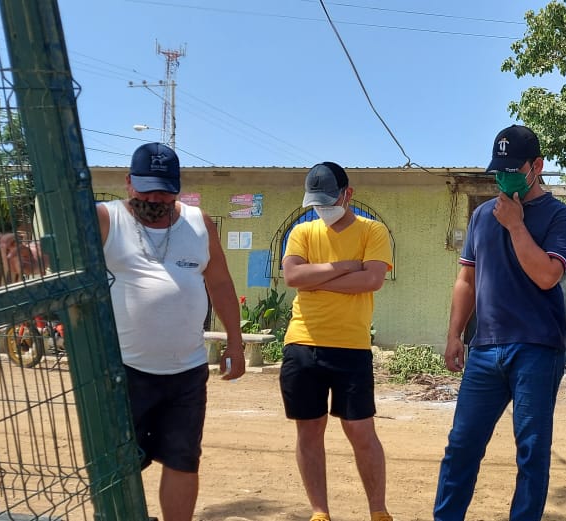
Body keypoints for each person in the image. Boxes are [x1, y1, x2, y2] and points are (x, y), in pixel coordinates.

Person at [96, 142, 246, 521]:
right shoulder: (106, 219)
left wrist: (235, 343)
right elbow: (60, 258)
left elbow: (221, 283)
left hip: (187, 372)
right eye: (146, 190)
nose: (154, 199)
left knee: (183, 459)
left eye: (164, 191)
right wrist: (30, 257)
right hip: (125, 371)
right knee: (120, 462)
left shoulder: (199, 223)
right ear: (129, 183)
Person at [434, 125, 566, 521]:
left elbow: (547, 276)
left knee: (531, 451)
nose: (503, 178)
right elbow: (466, 279)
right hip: (484, 348)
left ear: (537, 167)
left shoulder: (559, 216)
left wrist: (516, 224)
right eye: (498, 170)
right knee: (461, 445)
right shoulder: (482, 216)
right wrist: (454, 335)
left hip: (537, 348)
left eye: (513, 170)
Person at [280, 161, 394, 521]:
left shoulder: (373, 231)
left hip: (351, 347)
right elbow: (292, 276)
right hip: (302, 344)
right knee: (309, 431)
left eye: (328, 201)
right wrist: (346, 266)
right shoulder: (301, 231)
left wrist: (315, 280)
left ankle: (378, 511)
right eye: (316, 203)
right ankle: (320, 513)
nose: (322, 209)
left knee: (360, 430)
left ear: (348, 194)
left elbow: (371, 280)